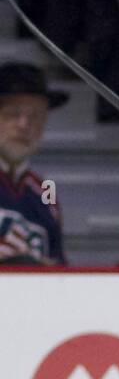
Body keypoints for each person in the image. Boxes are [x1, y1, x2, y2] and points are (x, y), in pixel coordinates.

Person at [0, 62, 66, 266]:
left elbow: (61, 272)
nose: (24, 124)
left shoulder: (46, 195)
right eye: (13, 113)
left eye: (35, 116)